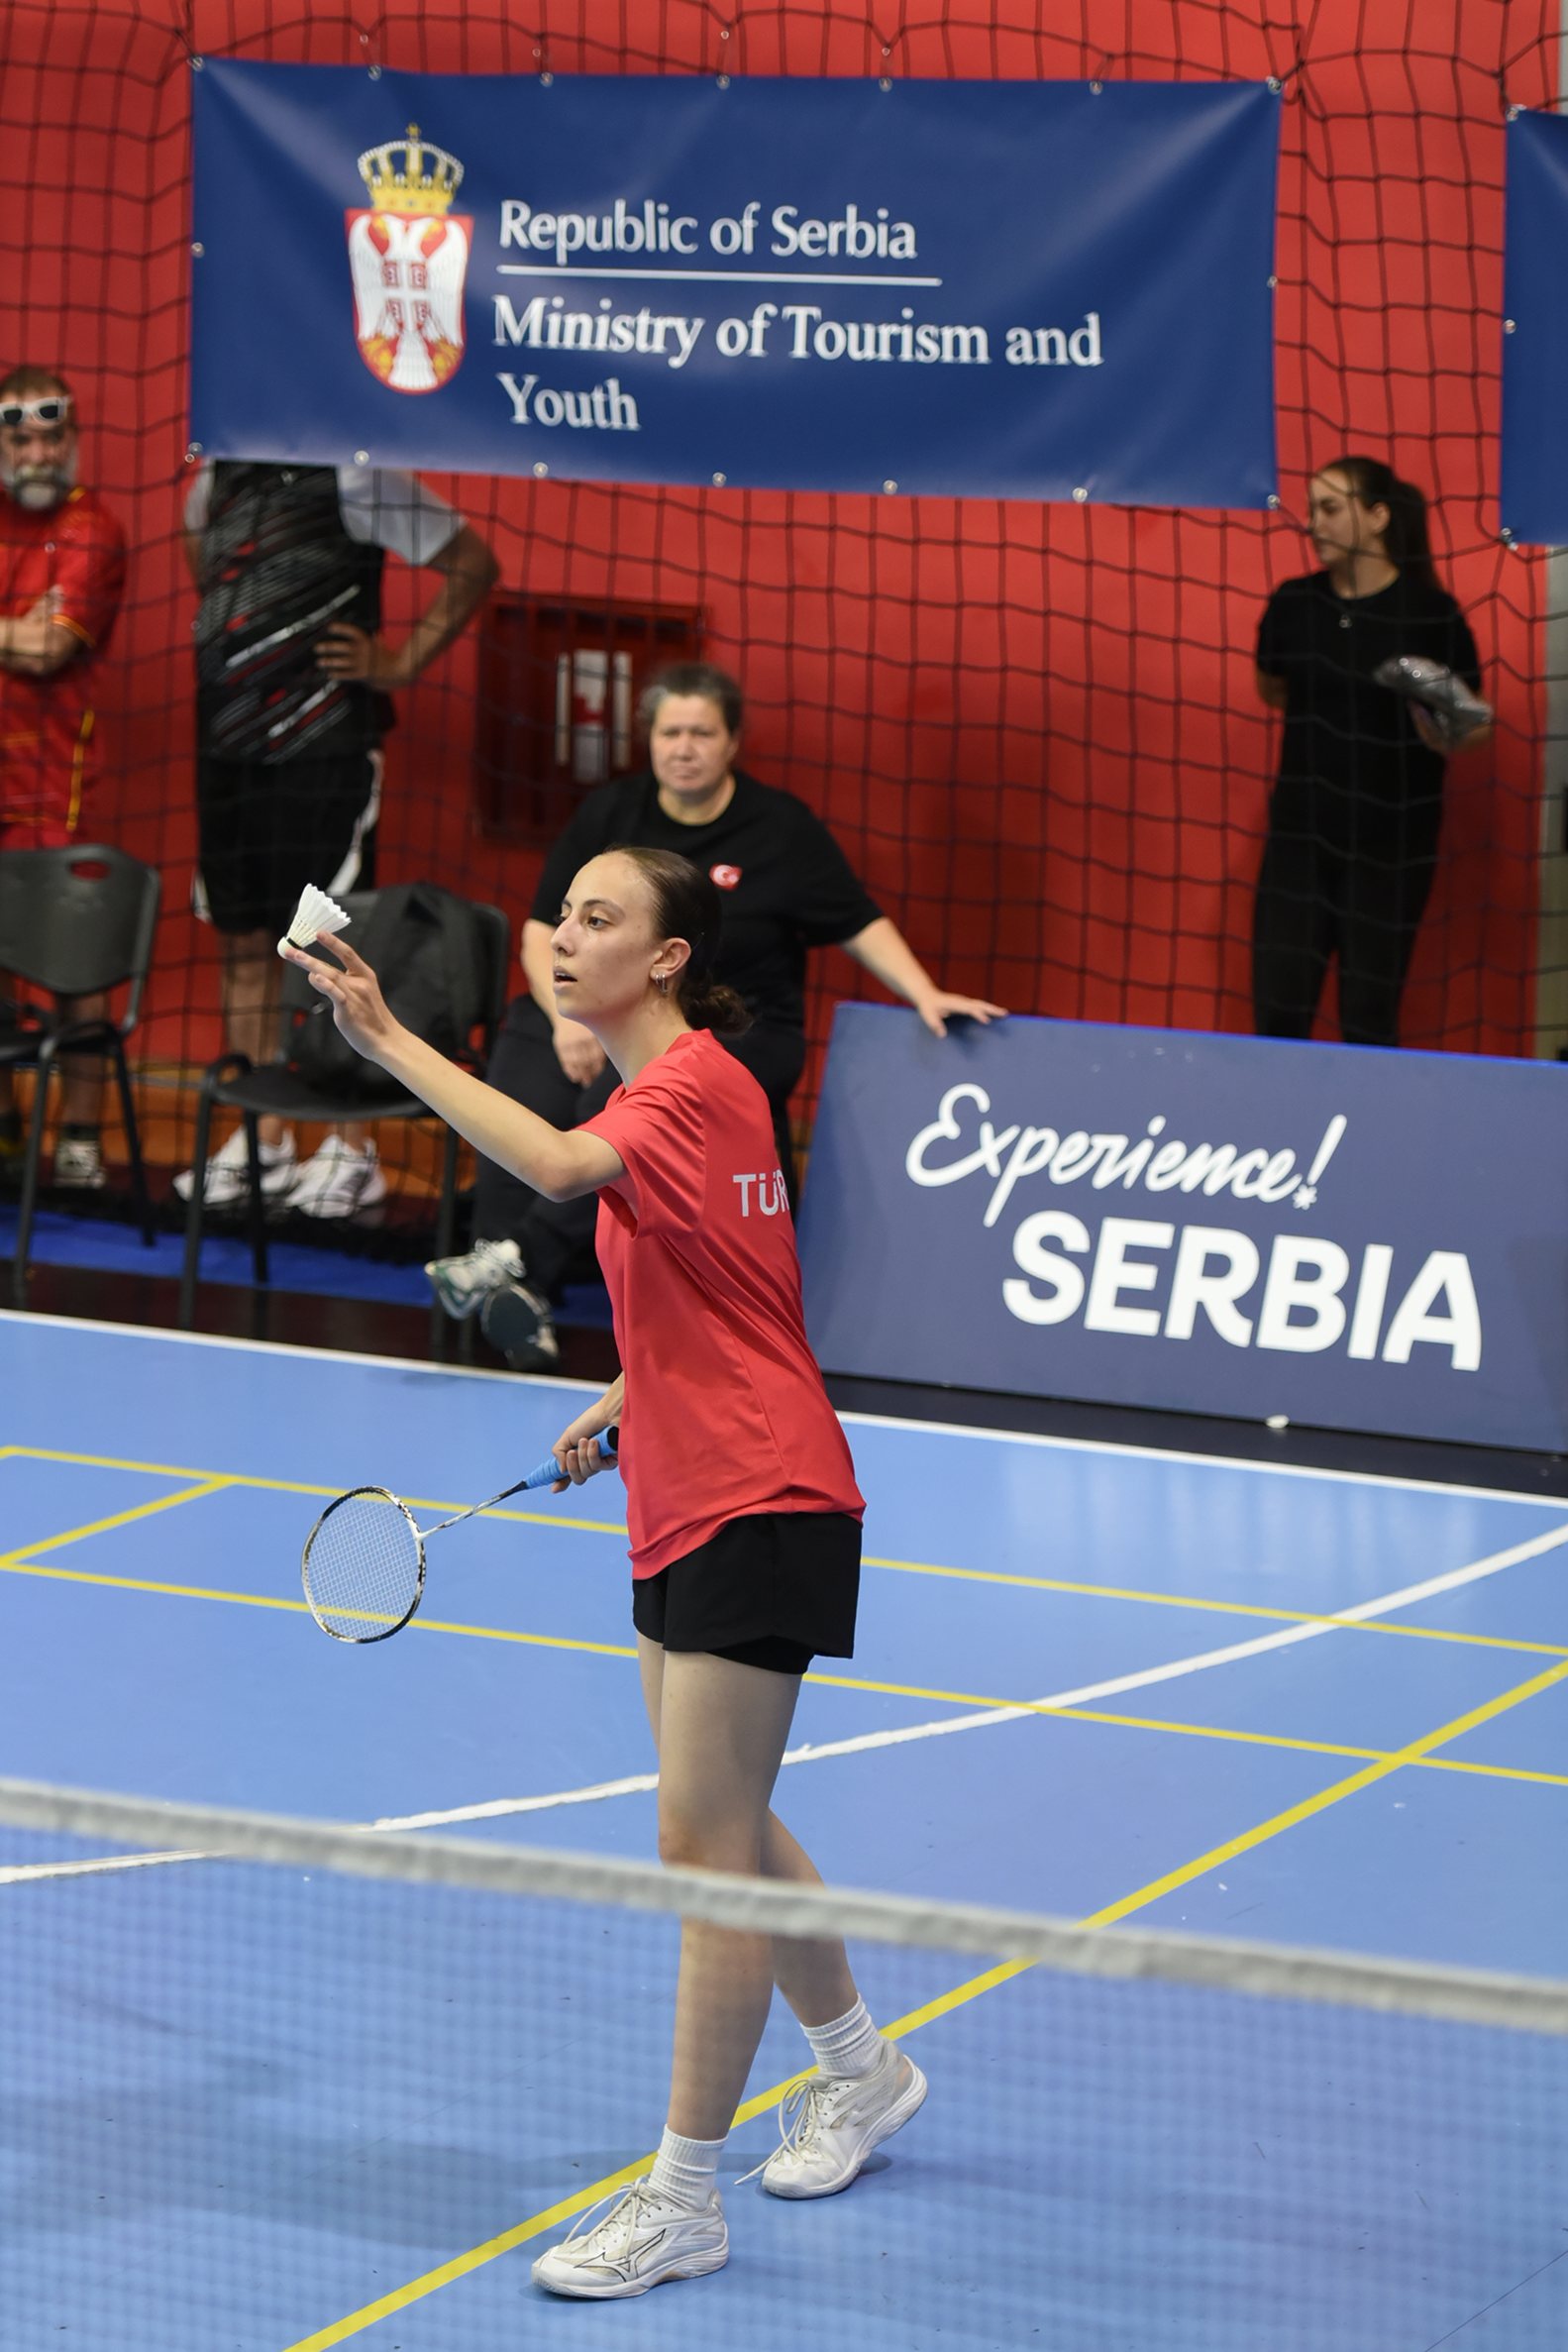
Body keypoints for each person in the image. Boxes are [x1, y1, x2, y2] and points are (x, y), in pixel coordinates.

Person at [286, 844, 926, 2298]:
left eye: (597, 919)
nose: (564, 939)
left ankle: (683, 2196)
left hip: (760, 1495)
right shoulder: (702, 1093)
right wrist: (635, 1391)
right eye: (563, 916)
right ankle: (861, 2070)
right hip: (687, 1486)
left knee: (703, 1849)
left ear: (668, 957)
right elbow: (743, 1291)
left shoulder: (683, 1087)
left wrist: (387, 1040)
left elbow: (562, 1168)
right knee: (726, 1825)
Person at [426, 660, 1006, 1369]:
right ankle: (503, 1275)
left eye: (701, 733)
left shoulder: (779, 828)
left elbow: (856, 919)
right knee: (528, 1069)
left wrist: (923, 992)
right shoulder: (612, 815)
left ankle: (519, 1262)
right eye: (669, 732)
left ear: (731, 742)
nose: (684, 748)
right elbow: (543, 929)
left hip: (736, 1027)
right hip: (605, 1011)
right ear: (648, 740)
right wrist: (567, 1021)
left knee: (609, 1104)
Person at [175, 460, 498, 1216]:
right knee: (243, 946)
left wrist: (401, 662)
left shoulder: (359, 478)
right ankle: (261, 1139)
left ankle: (351, 1149)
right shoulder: (213, 478)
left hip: (325, 754)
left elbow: (474, 564)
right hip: (226, 750)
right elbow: (203, 562)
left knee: (326, 949)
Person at [1252, 456, 1490, 1048]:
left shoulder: (1429, 613)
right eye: (1312, 510)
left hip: (1392, 845)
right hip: (1300, 839)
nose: (1315, 523)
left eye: (1331, 508)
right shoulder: (1294, 603)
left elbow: (1474, 722)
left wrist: (1447, 729)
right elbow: (1274, 689)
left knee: (1368, 1015)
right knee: (1278, 1009)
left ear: (1378, 516)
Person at [0, 368, 128, 1191]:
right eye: (21, 438)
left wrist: (27, 635)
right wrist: (13, 628)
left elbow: (50, 648)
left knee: (73, 964)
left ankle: (80, 1134)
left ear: (73, 440)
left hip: (54, 781)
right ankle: (5, 1127)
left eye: (53, 436)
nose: (39, 453)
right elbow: (25, 636)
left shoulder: (91, 528)